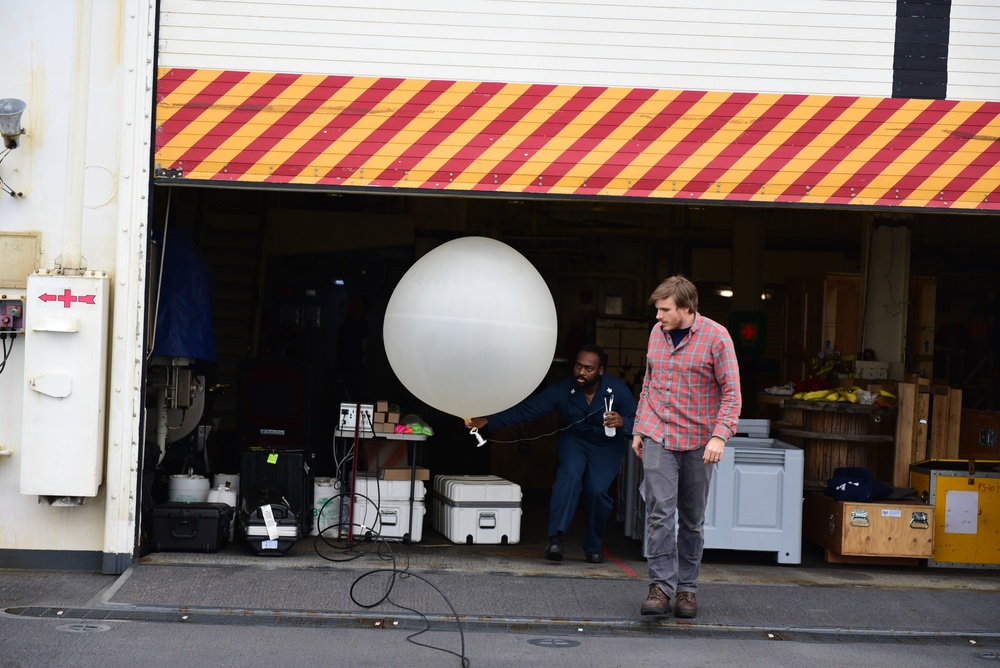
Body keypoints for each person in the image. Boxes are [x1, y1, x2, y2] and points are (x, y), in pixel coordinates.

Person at [466, 343, 637, 564]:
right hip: (575, 439)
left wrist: (624, 422)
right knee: (570, 475)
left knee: (596, 490)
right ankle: (556, 538)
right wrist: (489, 420)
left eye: (588, 368)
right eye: (578, 366)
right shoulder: (564, 389)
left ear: (601, 371)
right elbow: (528, 409)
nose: (581, 372)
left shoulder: (618, 390)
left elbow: (641, 421)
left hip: (607, 445)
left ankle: (593, 546)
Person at [632, 275, 741, 619]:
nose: (658, 316)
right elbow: (648, 381)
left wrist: (720, 435)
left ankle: (687, 590)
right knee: (659, 513)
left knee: (691, 520)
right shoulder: (656, 334)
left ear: (685, 308)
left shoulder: (717, 337)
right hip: (658, 435)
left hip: (698, 440)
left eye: (664, 309)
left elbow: (732, 393)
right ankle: (660, 587)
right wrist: (639, 428)